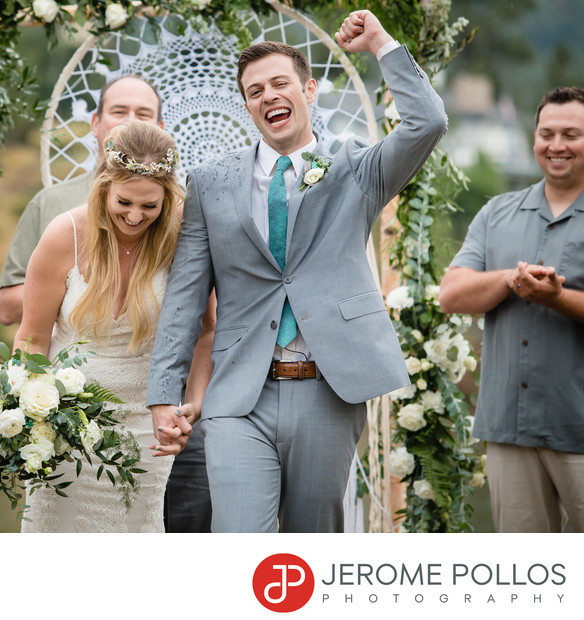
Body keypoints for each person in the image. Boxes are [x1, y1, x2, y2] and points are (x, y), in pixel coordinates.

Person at [146, 10, 447, 533]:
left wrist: (381, 44)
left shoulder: (357, 168)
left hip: (329, 388)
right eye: (255, 90)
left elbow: (428, 123)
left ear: (308, 90)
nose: (268, 96)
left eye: (280, 83)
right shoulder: (210, 182)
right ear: (246, 106)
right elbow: (185, 298)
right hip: (239, 393)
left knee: (314, 545)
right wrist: (162, 395)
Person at [14, 120, 214, 532]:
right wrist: (36, 413)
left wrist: (193, 403)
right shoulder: (64, 235)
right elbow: (31, 338)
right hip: (65, 430)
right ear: (104, 183)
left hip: (146, 431)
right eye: (124, 202)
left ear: (168, 198)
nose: (136, 216)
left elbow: (207, 329)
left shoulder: (182, 239)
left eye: (150, 206)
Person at [438, 86, 584, 533]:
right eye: (547, 133)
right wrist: (506, 279)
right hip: (509, 428)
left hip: (577, 425)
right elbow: (451, 295)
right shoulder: (496, 213)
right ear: (533, 138)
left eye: (571, 134)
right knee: (525, 577)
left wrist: (557, 298)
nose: (556, 145)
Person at [0, 75, 164, 326]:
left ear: (160, 127)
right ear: (95, 123)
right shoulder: (49, 202)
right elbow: (7, 309)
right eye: (119, 111)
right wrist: (73, 289)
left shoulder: (182, 208)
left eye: (143, 114)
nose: (130, 122)